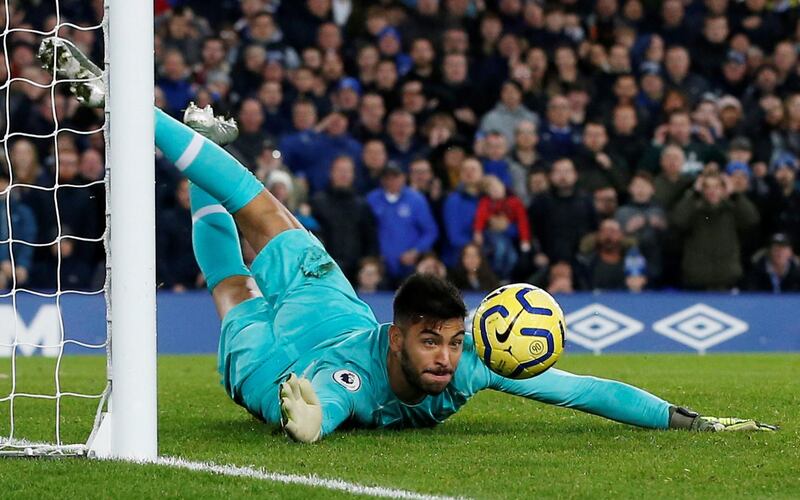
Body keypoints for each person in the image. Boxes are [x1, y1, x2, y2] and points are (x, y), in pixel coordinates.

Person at [42, 37, 778, 444]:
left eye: (454, 343)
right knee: (263, 207)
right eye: (432, 343)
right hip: (323, 342)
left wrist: (684, 418)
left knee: (233, 289)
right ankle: (128, 106)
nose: (446, 358)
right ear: (399, 337)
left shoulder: (472, 366)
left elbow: (581, 388)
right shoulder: (360, 382)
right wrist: (311, 421)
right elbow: (332, 403)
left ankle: (195, 147)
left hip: (275, 353)